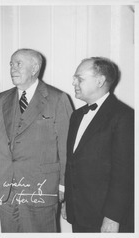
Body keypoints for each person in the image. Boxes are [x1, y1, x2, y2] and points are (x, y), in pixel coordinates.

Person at [0, 48, 73, 232]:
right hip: (7, 186)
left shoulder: (58, 99)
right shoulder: (2, 99)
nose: (12, 69)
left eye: (18, 64)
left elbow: (67, 147)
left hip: (41, 186)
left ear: (34, 68)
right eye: (11, 64)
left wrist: (64, 185)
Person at [61, 57, 134, 232]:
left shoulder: (124, 116)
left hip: (104, 217)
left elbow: (125, 173)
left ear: (100, 81)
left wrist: (113, 216)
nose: (73, 82)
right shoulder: (77, 115)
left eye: (80, 78)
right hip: (78, 212)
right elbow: (72, 163)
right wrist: (67, 202)